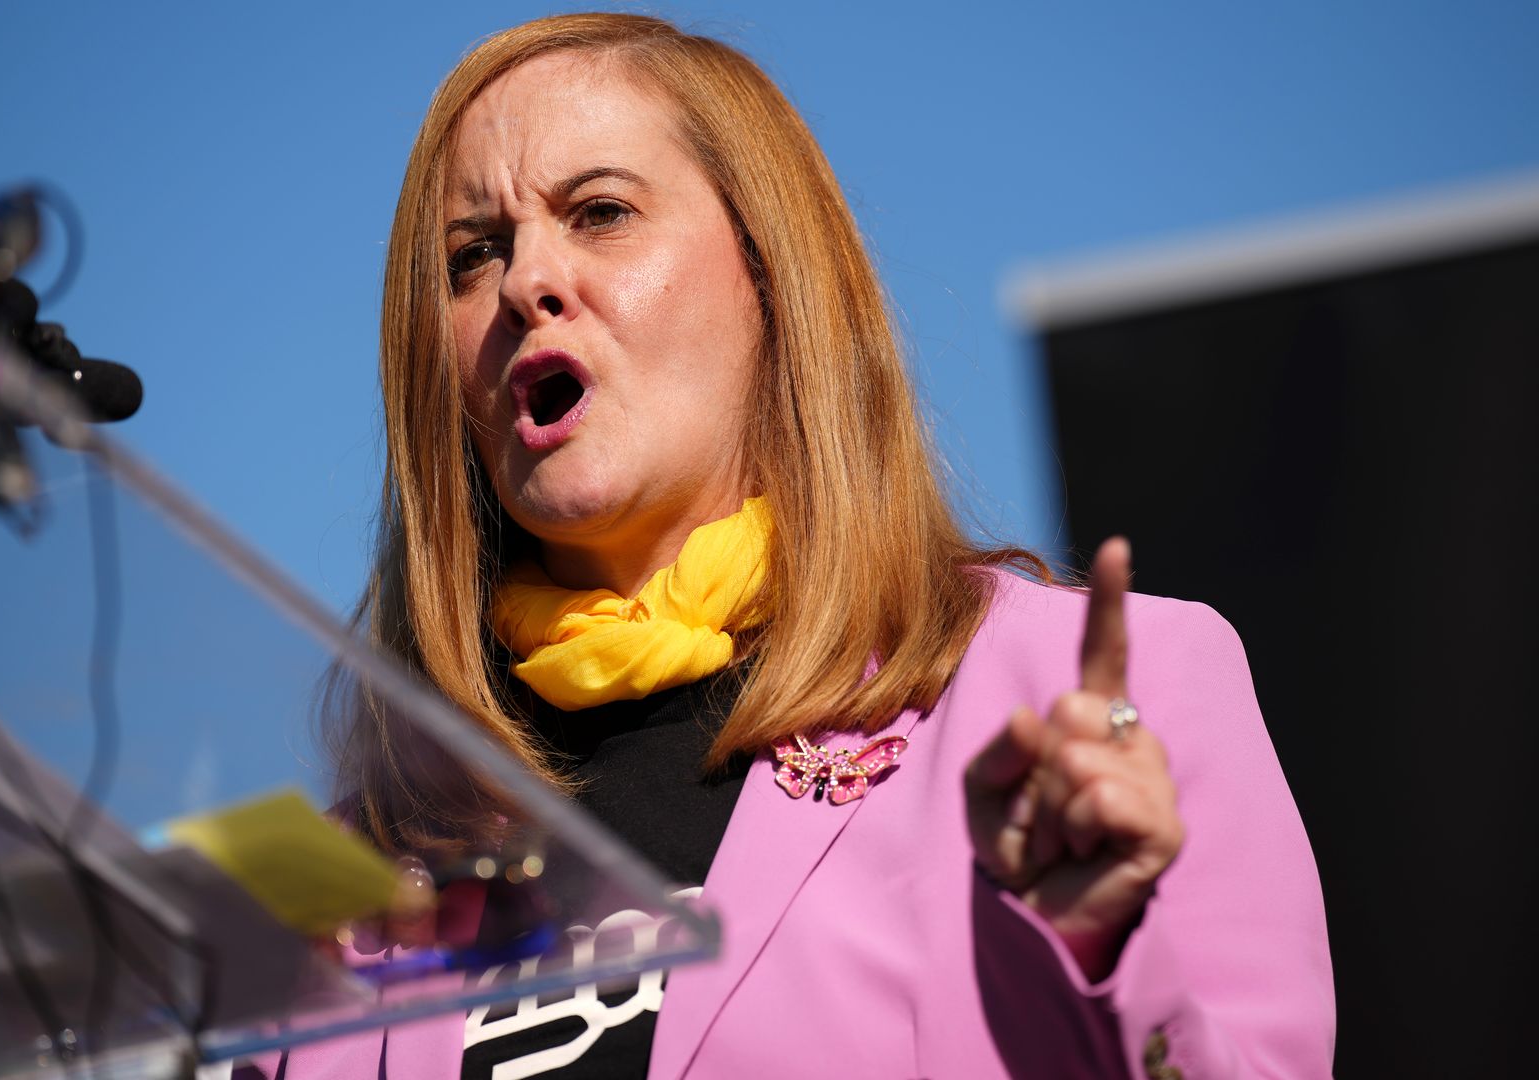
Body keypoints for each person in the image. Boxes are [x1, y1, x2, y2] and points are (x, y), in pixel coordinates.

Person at [249, 12, 1333, 1078]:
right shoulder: (341, 877)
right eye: (473, 253)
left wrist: (1108, 951)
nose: (528, 280)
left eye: (602, 212)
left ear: (768, 275)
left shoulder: (1075, 693)